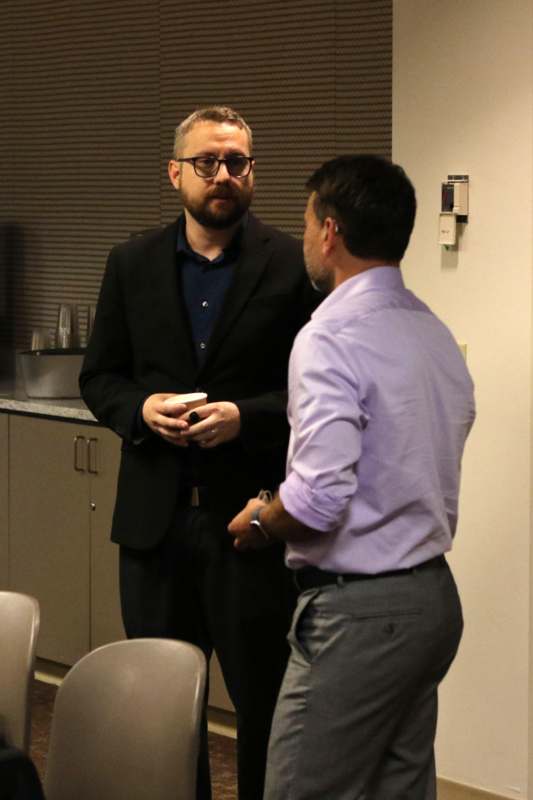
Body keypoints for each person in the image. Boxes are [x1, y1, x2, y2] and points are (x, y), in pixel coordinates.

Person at [79, 106, 317, 800]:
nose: (222, 175)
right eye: (207, 162)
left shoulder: (289, 265)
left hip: (248, 526)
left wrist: (247, 416)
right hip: (152, 528)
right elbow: (100, 377)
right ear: (174, 172)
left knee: (263, 708)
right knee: (160, 712)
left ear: (252, 173)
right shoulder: (130, 263)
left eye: (236, 162)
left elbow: (317, 392)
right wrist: (140, 411)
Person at [228, 155, 476, 800]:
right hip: (431, 601)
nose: (305, 237)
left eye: (309, 223)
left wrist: (260, 518)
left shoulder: (330, 335)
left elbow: (319, 496)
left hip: (361, 614)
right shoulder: (433, 331)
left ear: (330, 232)